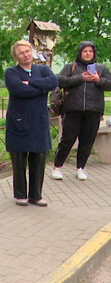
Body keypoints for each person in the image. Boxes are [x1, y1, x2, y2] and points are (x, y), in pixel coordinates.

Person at [4, 40, 58, 206]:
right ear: (16, 56)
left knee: (39, 158)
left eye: (28, 51)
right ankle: (21, 195)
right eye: (22, 52)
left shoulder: (42, 69)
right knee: (19, 159)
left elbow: (54, 82)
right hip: (19, 121)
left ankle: (36, 195)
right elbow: (19, 90)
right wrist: (41, 90)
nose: (26, 54)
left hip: (39, 121)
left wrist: (32, 82)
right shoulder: (11, 72)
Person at [51, 41, 111, 181]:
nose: (88, 54)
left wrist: (98, 79)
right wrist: (80, 78)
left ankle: (80, 168)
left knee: (87, 141)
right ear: (80, 53)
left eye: (90, 51)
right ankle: (57, 167)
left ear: (94, 53)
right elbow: (59, 81)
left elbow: (109, 84)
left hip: (94, 109)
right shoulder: (71, 67)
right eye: (85, 51)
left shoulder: (101, 68)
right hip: (73, 108)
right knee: (68, 139)